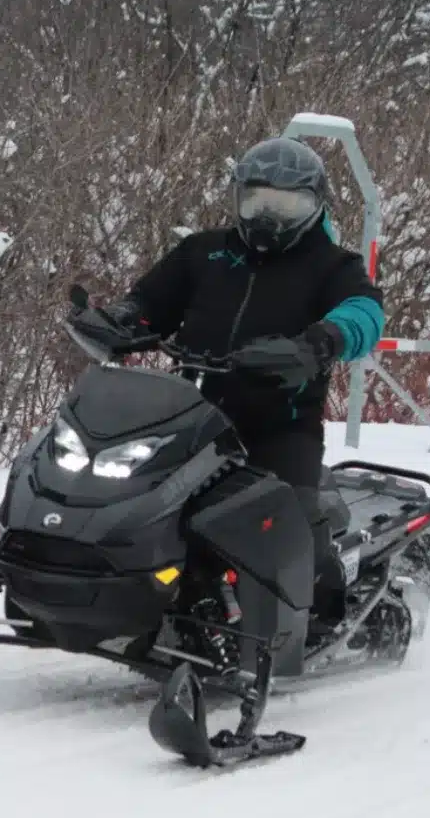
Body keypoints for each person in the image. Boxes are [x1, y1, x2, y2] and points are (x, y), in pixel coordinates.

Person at [99, 136, 385, 627]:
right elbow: (151, 302)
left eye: (287, 205)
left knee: (294, 525)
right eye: (258, 201)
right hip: (190, 415)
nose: (269, 217)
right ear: (237, 198)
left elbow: (364, 313)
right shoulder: (203, 252)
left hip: (280, 424)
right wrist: (123, 318)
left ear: (315, 206)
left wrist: (318, 342)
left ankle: (324, 613)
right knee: (125, 499)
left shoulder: (332, 265)